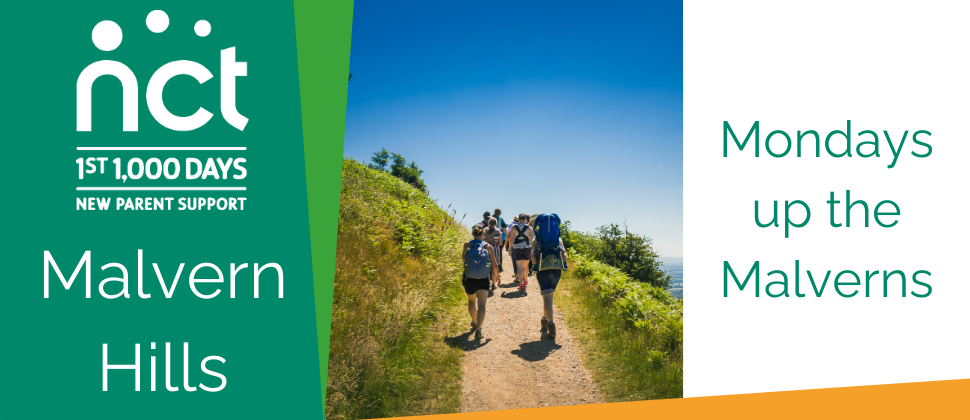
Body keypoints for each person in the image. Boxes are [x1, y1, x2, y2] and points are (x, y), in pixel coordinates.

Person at [531, 220, 568, 340]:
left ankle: (551, 324)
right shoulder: (558, 239)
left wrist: (534, 266)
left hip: (543, 270)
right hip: (556, 269)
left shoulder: (535, 240)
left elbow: (533, 254)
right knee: (549, 297)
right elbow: (564, 252)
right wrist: (565, 264)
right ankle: (544, 319)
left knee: (547, 298)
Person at [462, 226, 500, 340]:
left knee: (472, 300)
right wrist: (497, 276)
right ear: (483, 234)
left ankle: (474, 322)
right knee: (482, 304)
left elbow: (463, 259)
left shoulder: (467, 245)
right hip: (483, 278)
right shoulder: (488, 247)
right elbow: (494, 264)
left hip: (469, 277)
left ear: (473, 234)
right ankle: (478, 330)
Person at [505, 213, 535, 291]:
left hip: (517, 248)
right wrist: (532, 250)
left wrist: (510, 249)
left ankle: (521, 284)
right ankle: (525, 280)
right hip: (527, 248)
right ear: (525, 219)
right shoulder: (529, 228)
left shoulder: (514, 227)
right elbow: (531, 239)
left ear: (518, 219)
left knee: (519, 267)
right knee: (526, 266)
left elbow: (511, 239)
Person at [483, 218, 504, 289]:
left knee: (486, 264)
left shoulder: (485, 230)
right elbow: (500, 243)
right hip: (495, 249)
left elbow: (483, 240)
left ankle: (487, 281)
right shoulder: (498, 231)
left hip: (486, 248)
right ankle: (494, 283)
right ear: (496, 223)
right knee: (494, 265)